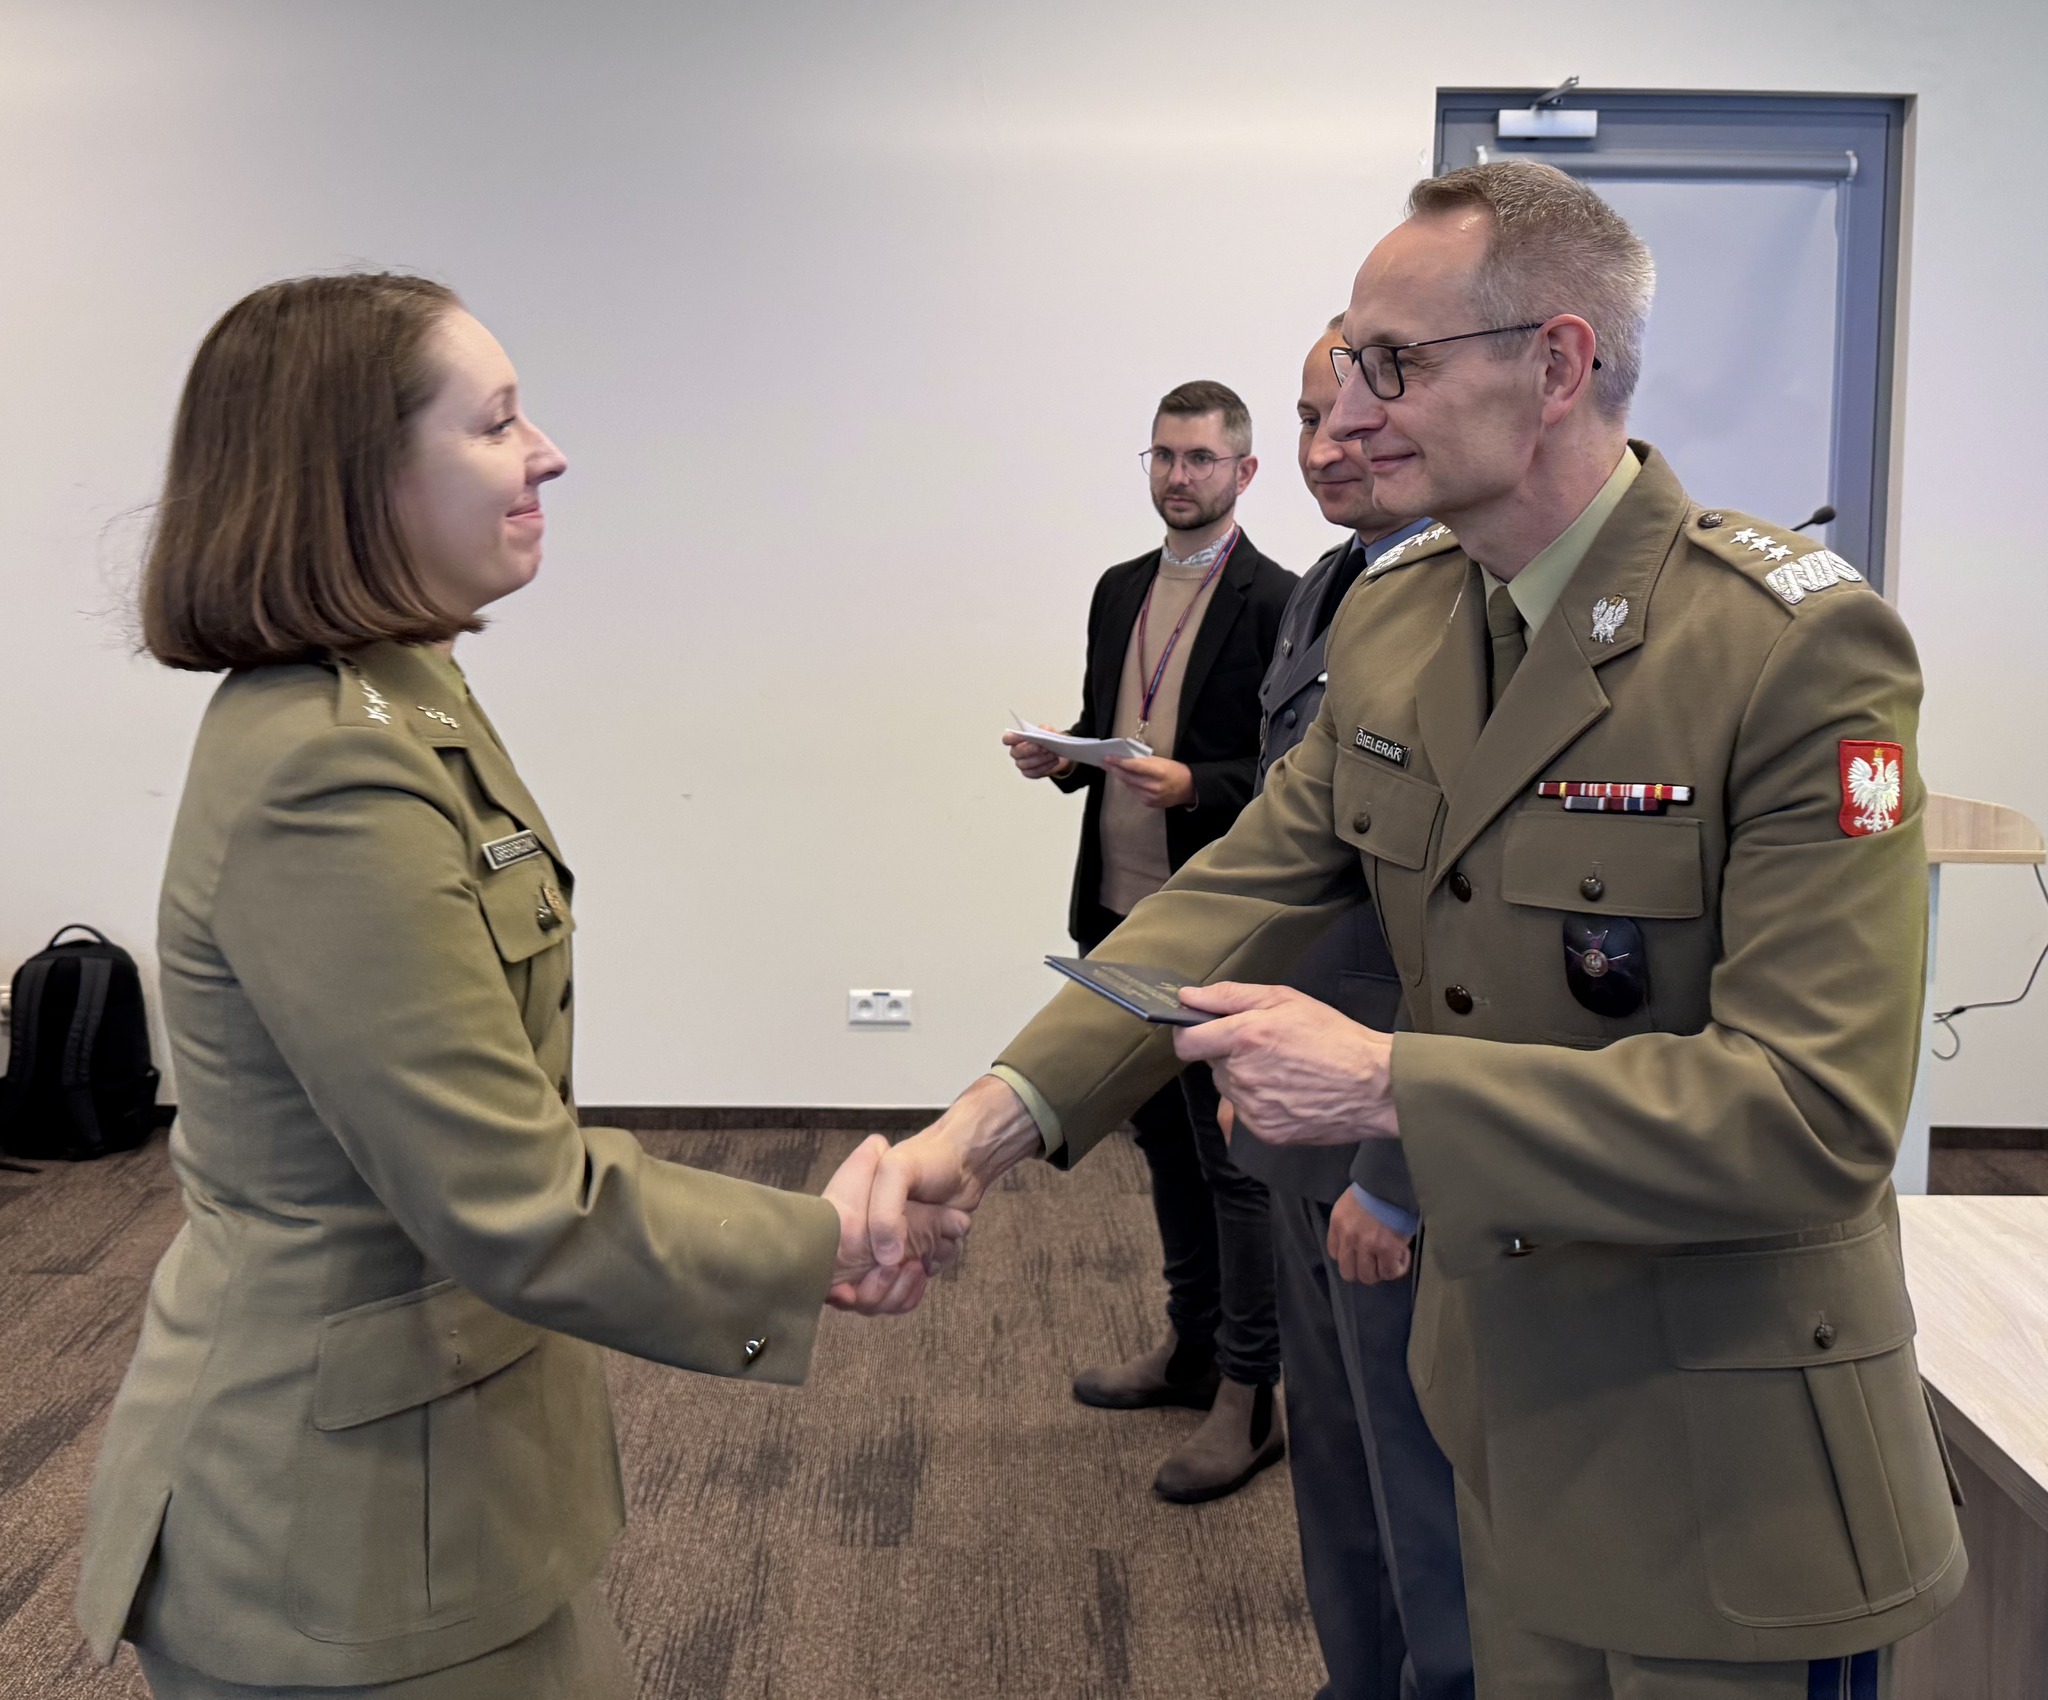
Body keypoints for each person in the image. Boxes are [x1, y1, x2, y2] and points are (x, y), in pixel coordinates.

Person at [875, 160, 1964, 1698]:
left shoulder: (1791, 647)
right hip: (1503, 1424)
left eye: (1395, 363)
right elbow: (1235, 889)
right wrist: (982, 1129)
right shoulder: (1405, 618)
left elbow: (1814, 1116)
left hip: (1729, 1472)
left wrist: (1390, 1089)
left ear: (1558, 363)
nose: (1350, 409)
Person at [75, 273, 965, 1698]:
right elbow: (508, 1190)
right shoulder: (329, 763)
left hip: (440, 1467)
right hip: (337, 1530)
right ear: (359, 485)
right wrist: (816, 1243)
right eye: (495, 424)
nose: (546, 450)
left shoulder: (399, 694)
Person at [1225, 316, 1470, 1700]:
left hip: (1397, 1144)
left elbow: (1460, 939)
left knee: (1416, 1465)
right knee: (1329, 1447)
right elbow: (1283, 867)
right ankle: (1357, 1679)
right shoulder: (1332, 592)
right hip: (1294, 1115)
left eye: (1361, 417)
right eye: (1311, 420)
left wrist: (1394, 1173)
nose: (1330, 449)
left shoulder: (1468, 620)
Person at [1001, 379, 1297, 1501]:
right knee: (1163, 1147)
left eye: (1202, 458)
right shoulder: (1118, 587)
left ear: (1242, 473)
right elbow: (1110, 723)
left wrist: (1196, 783)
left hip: (1216, 918)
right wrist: (1062, 756)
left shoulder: (1278, 599)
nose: (1179, 475)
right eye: (1164, 456)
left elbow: (1285, 775)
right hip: (1118, 907)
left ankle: (1248, 1392)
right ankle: (1187, 1346)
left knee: (1234, 1166)